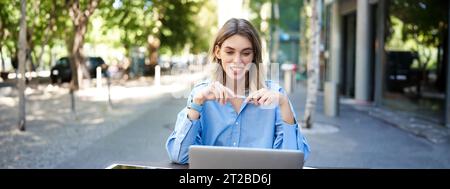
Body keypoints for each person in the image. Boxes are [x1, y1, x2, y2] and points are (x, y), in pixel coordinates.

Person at [166, 18, 310, 164]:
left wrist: (284, 104)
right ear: (218, 52)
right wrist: (196, 104)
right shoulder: (201, 94)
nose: (237, 60)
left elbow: (293, 161)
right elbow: (179, 156)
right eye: (229, 52)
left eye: (246, 53)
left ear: (254, 55)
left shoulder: (275, 95)